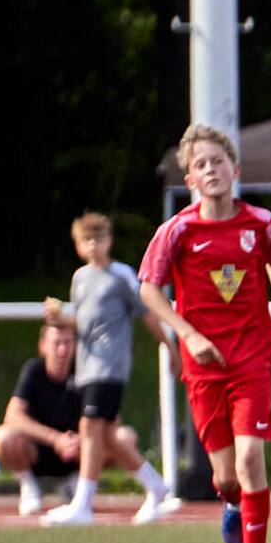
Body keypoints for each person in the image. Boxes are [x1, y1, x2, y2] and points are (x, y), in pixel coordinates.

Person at [139, 124, 271, 543]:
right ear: (191, 179)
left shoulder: (260, 223)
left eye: (217, 161)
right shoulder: (178, 230)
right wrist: (187, 334)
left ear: (235, 170)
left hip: (251, 357)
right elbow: (149, 288)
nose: (211, 170)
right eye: (201, 165)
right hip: (204, 365)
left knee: (252, 459)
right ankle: (230, 502)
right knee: (226, 475)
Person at [38, 213, 181, 526]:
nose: (94, 244)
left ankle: (83, 505)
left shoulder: (122, 275)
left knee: (89, 428)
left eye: (99, 238)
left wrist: (170, 347)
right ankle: (156, 486)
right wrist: (61, 316)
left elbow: (147, 311)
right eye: (87, 239)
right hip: (86, 366)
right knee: (110, 437)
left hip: (110, 365)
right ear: (78, 245)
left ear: (109, 240)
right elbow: (84, 321)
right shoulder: (79, 279)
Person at [0, 320, 84, 515]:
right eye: (56, 343)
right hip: (37, 452)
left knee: (121, 436)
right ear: (42, 346)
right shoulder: (33, 371)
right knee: (4, 437)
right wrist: (55, 439)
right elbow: (13, 415)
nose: (62, 350)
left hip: (76, 453)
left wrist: (79, 440)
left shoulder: (84, 372)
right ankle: (29, 487)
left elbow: (110, 419)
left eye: (68, 342)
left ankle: (78, 484)